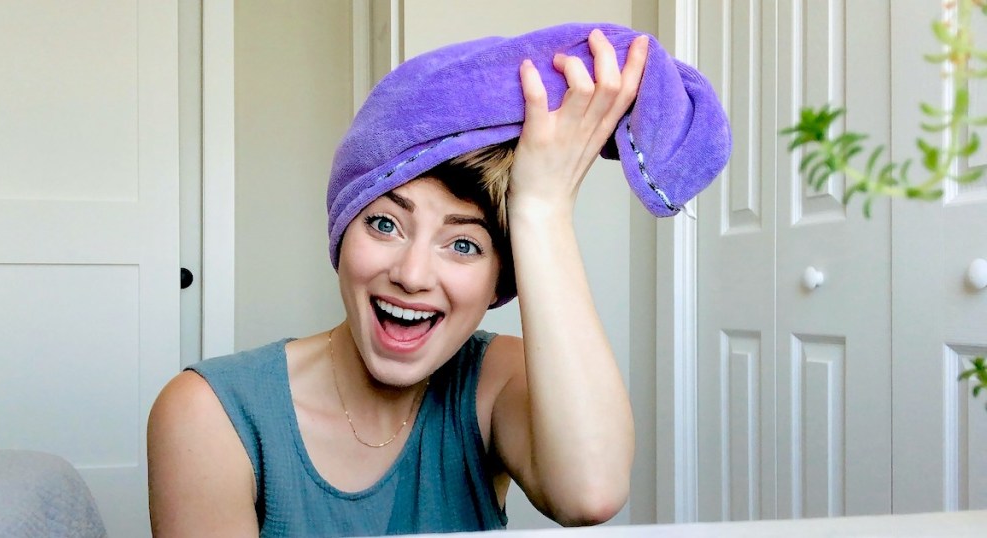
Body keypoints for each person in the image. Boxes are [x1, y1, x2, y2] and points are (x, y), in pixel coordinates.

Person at [148, 22, 728, 537]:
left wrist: (542, 208)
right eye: (384, 223)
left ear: (502, 275)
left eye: (463, 244)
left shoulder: (496, 382)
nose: (411, 274)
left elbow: (591, 493)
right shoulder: (209, 414)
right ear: (342, 231)